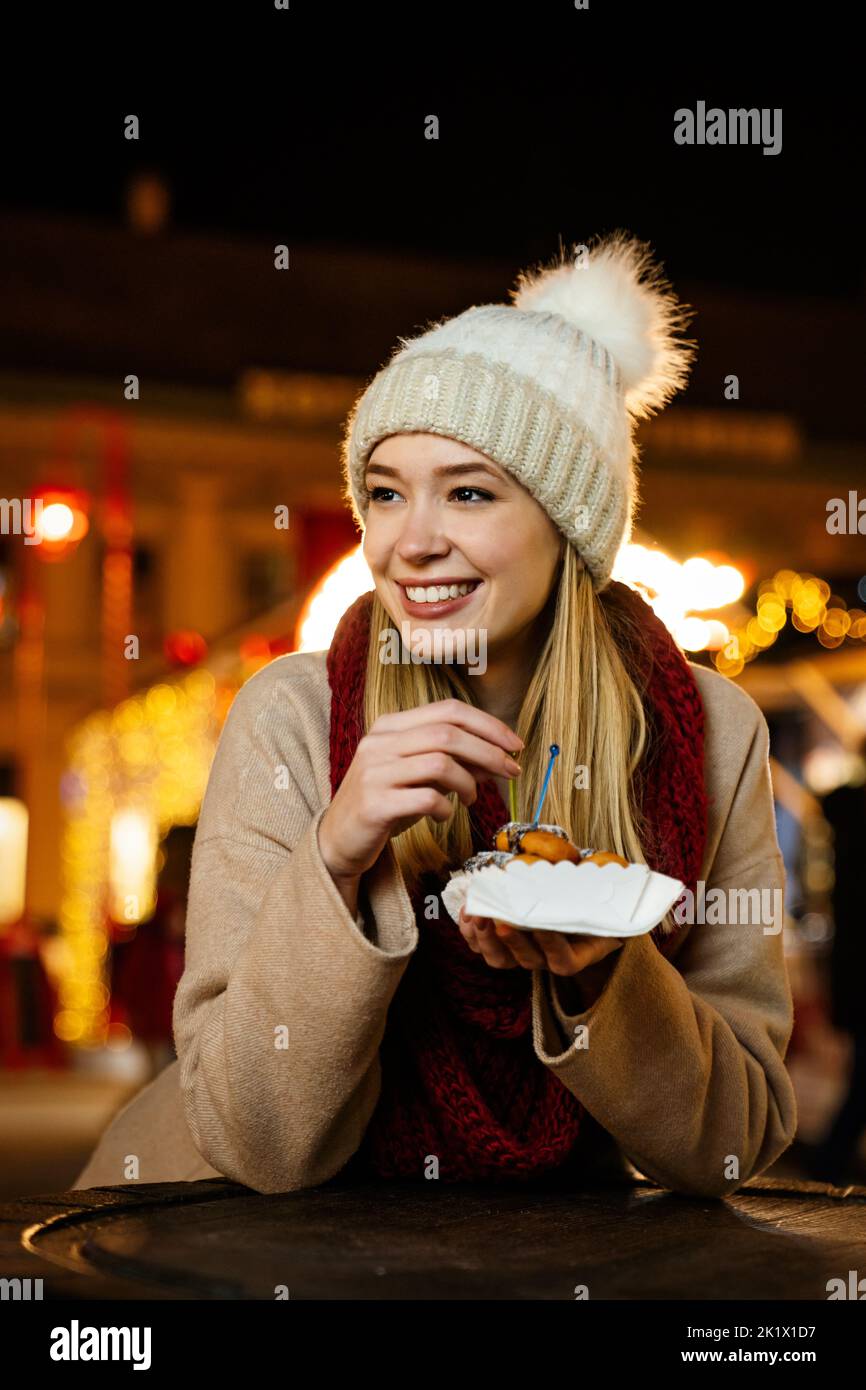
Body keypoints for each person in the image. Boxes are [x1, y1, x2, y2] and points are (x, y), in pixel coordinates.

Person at [73, 232, 797, 1197]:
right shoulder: (290, 718)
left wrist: (601, 978)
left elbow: (732, 1143)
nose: (410, 543)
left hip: (551, 1258)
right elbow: (255, 1142)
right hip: (219, 1239)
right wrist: (336, 854)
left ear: (567, 525)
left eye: (467, 492)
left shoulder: (713, 733)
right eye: (384, 493)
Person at [806, 736, 866, 1184]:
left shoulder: (845, 812)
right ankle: (830, 1158)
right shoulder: (852, 810)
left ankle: (830, 1156)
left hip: (853, 963)